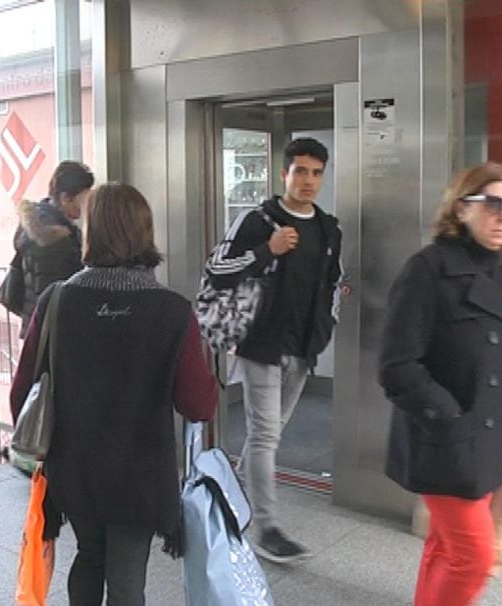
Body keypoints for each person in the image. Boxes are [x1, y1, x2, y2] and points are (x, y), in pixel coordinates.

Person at [9, 182, 218, 606]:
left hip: (74, 469)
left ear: (91, 233)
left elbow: (21, 395)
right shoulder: (172, 311)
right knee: (126, 579)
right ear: (145, 233)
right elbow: (198, 404)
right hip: (139, 474)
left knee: (89, 555)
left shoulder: (56, 301)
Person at [378, 161, 502, 606]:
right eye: (493, 203)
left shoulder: (496, 271)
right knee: (474, 557)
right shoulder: (428, 270)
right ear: (462, 209)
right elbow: (397, 366)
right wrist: (452, 424)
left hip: (487, 439)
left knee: (446, 546)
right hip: (446, 441)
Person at [202, 137, 343, 563]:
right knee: (265, 434)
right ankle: (267, 528)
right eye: (300, 171)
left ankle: (237, 500)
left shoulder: (328, 228)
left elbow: (332, 282)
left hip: (303, 347)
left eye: (316, 173)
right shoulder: (258, 220)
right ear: (284, 174)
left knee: (272, 432)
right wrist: (267, 250)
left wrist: (328, 323)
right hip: (262, 344)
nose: (308, 181)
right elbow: (216, 269)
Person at [12, 160, 94, 336]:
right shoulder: (56, 238)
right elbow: (61, 290)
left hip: (37, 326)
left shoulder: (41, 222)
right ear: (66, 198)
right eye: (84, 197)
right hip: (53, 330)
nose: (87, 203)